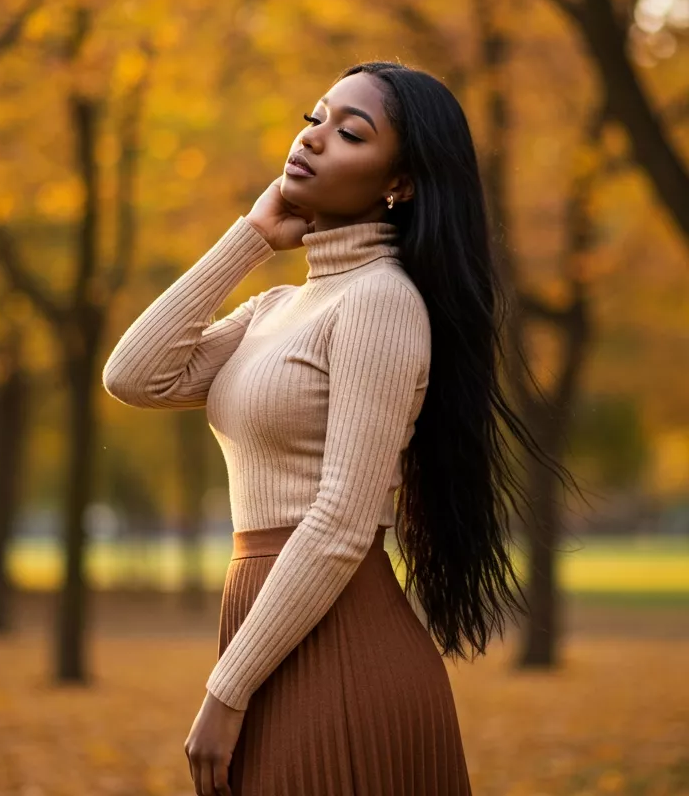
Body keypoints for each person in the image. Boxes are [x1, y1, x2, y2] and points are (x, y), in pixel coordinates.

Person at [102, 61, 572, 796]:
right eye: (314, 119)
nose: (314, 138)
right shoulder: (277, 309)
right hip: (271, 630)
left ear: (400, 183)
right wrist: (251, 237)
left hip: (342, 644)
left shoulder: (380, 302)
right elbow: (135, 376)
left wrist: (226, 691)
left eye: (350, 133)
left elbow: (343, 519)